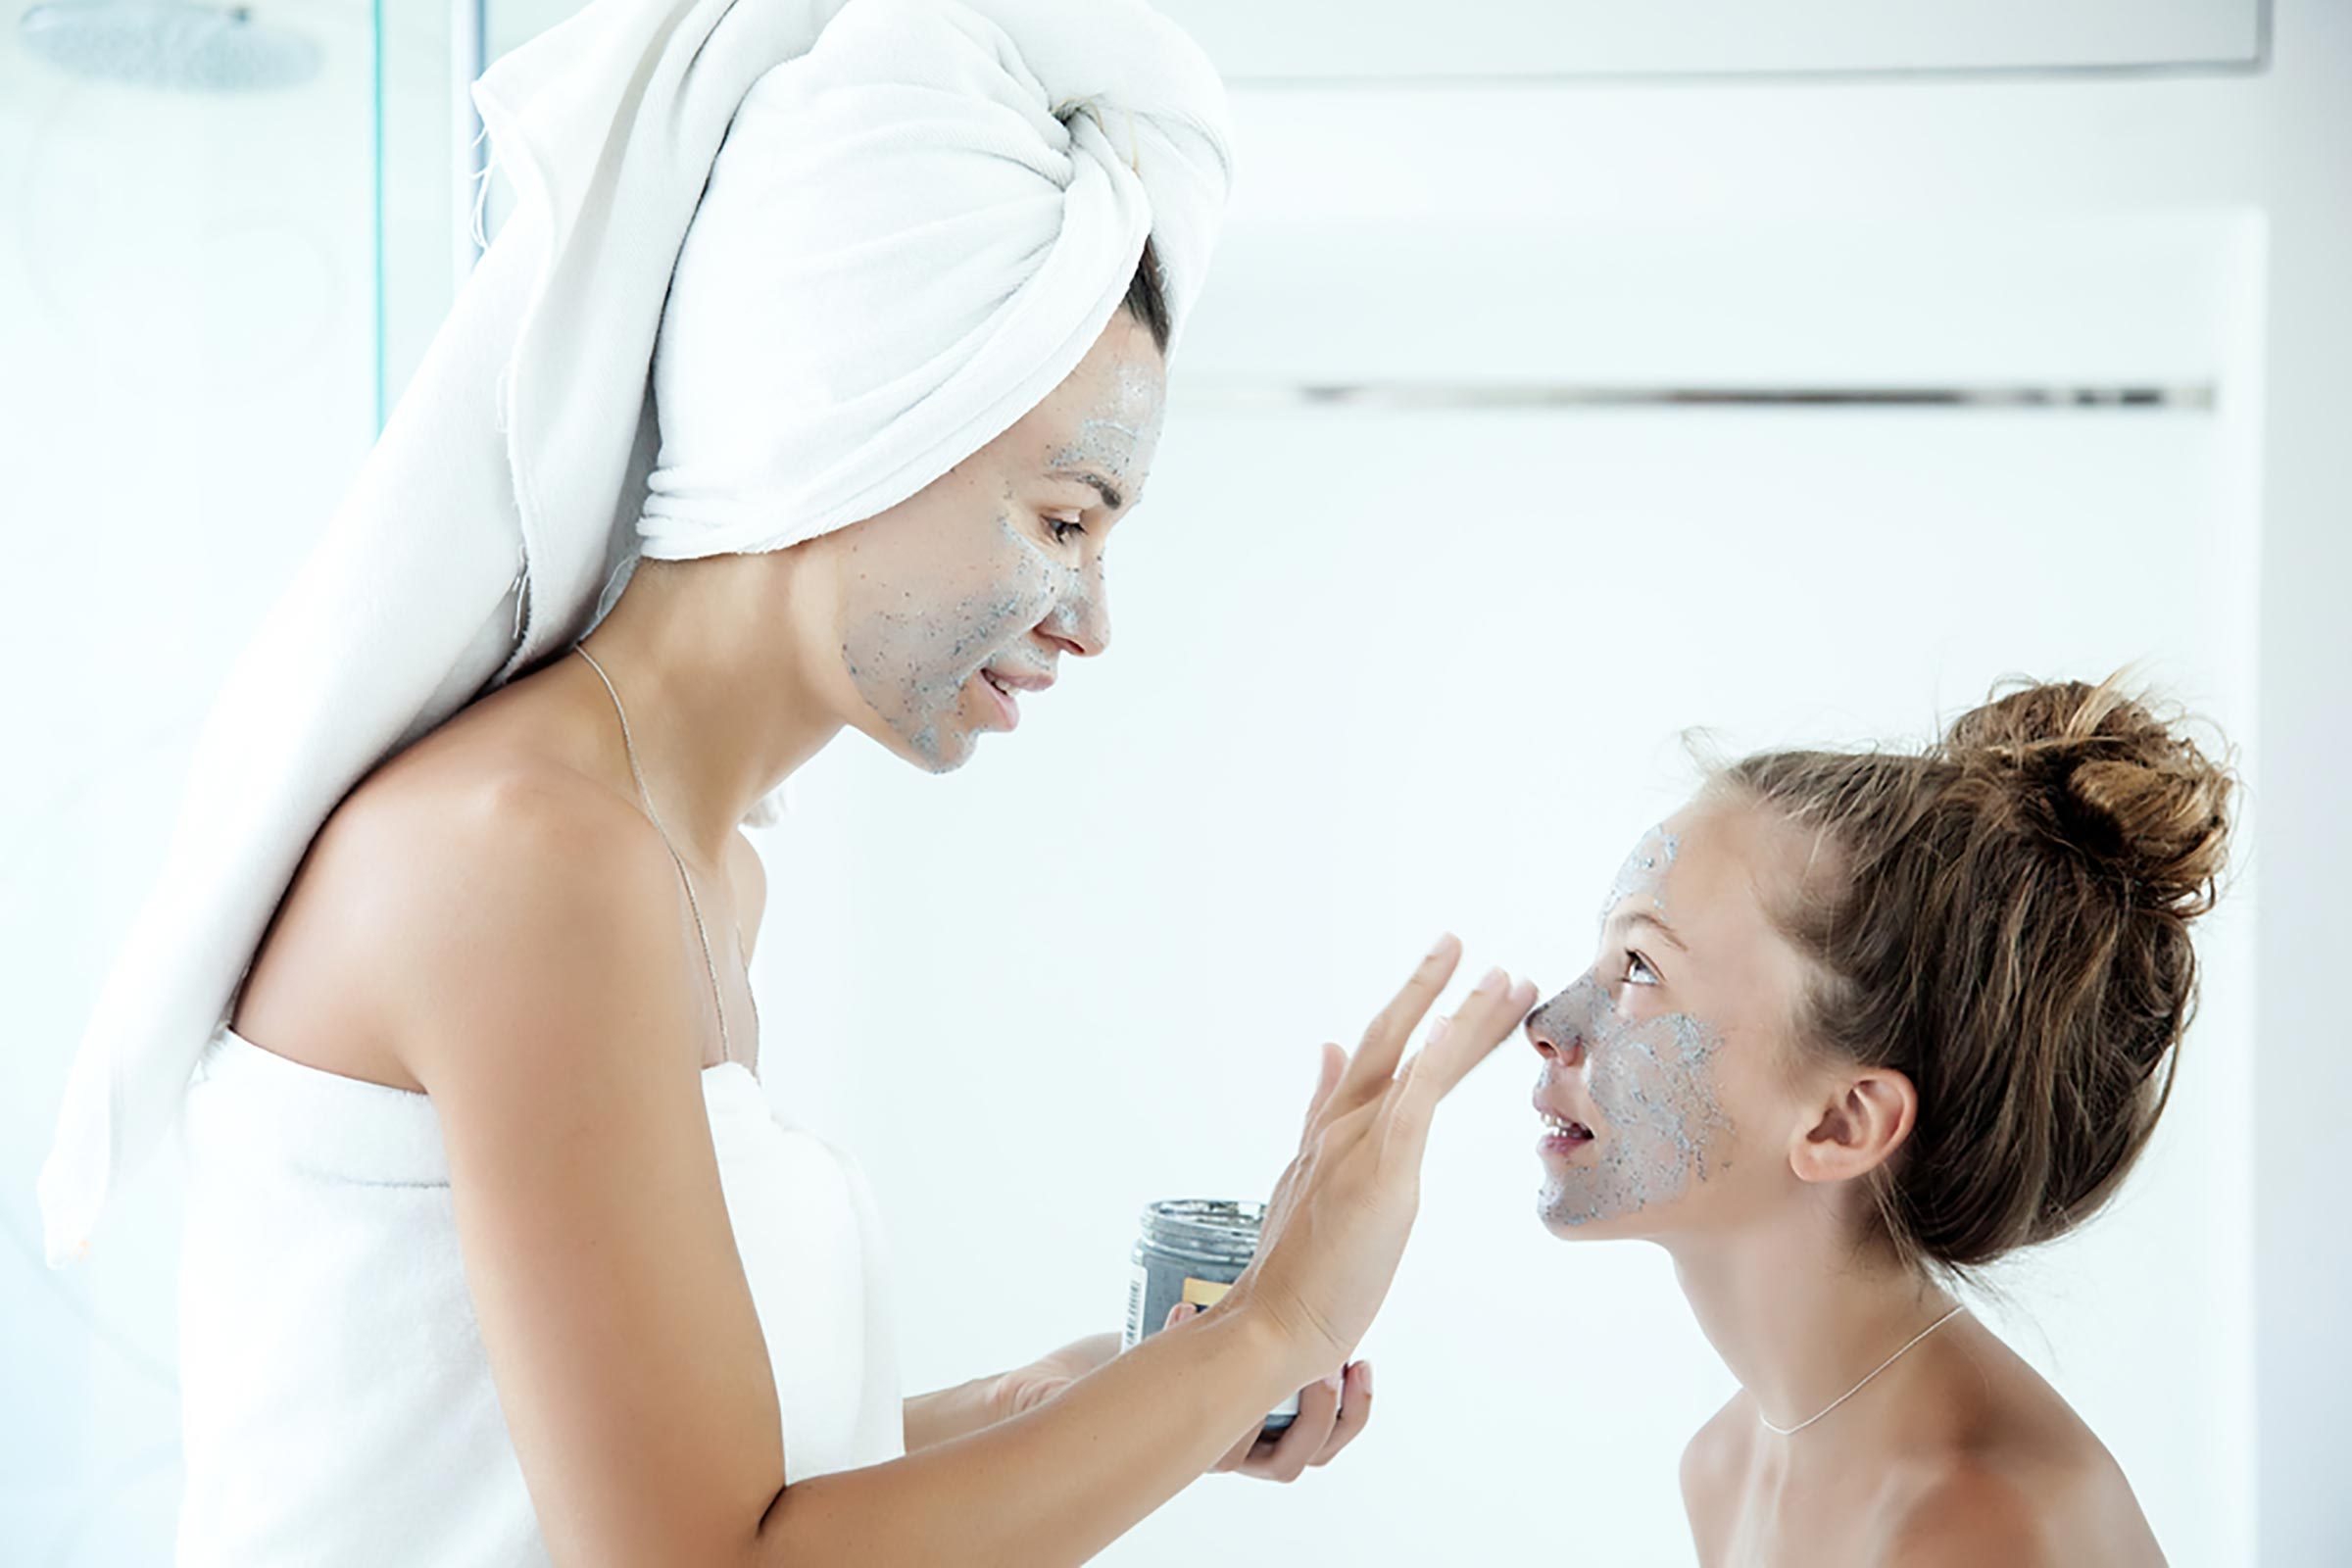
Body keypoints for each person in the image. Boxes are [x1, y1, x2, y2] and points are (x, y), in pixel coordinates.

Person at [37, 1, 1539, 1562]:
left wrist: (1087, 1394)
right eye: (1067, 520)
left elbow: (702, 1473)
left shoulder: (688, 862)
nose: (1094, 624)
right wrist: (1274, 1323)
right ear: (855, 428)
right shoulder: (532, 857)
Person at [1526, 677, 2230, 1566]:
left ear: (1844, 1123)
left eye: (1638, 967)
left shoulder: (1978, 1532)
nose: (1548, 1026)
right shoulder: (1722, 1467)